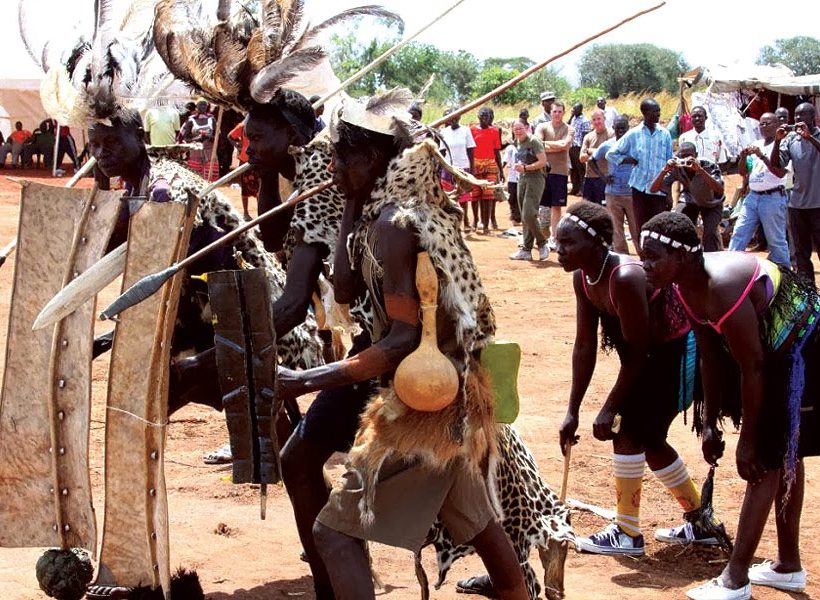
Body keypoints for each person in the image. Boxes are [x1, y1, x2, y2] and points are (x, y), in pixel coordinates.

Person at [277, 92, 529, 600]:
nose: (329, 167)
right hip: (431, 382)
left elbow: (402, 339)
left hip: (423, 390)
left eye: (339, 158)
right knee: (470, 516)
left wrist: (307, 379)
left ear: (369, 159)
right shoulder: (378, 212)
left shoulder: (397, 225)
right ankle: (514, 591)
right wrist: (349, 198)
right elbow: (345, 290)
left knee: (334, 534)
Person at [640, 212, 819, 600]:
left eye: (653, 257)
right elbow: (709, 354)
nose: (645, 265)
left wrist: (748, 440)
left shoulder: (721, 287)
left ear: (683, 258)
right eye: (643, 255)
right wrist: (709, 423)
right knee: (783, 455)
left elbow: (752, 368)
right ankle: (788, 566)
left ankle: (735, 579)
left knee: (766, 460)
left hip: (805, 346)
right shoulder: (685, 286)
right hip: (771, 351)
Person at [557, 201, 721, 558]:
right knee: (647, 438)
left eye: (567, 244)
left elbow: (638, 352)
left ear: (598, 244)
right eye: (558, 243)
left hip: (679, 352)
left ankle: (628, 533)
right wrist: (573, 411)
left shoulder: (627, 277)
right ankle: (700, 521)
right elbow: (584, 345)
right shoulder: (583, 278)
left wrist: (609, 406)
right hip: (649, 355)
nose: (558, 251)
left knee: (630, 432)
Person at [728, 112, 790, 267]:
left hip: (773, 197)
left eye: (768, 123)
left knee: (776, 240)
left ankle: (786, 276)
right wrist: (743, 157)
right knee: (739, 233)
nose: (764, 126)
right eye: (761, 123)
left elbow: (779, 172)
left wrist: (761, 156)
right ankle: (730, 267)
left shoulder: (783, 145)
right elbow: (743, 172)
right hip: (753, 196)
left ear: (776, 126)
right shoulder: (757, 143)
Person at [606, 97, 673, 229]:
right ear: (645, 113)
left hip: (659, 190)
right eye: (655, 112)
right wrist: (628, 160)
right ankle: (643, 250)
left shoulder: (665, 134)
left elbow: (669, 164)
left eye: (659, 111)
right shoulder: (634, 134)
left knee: (659, 227)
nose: (658, 114)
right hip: (639, 189)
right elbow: (611, 154)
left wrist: (668, 193)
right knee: (642, 227)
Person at [773, 102, 820, 284]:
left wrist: (810, 139)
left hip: (818, 204)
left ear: (814, 117)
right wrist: (777, 141)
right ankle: (808, 292)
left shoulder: (816, 136)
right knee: (801, 252)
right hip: (797, 205)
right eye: (796, 116)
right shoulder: (791, 140)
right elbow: (777, 164)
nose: (799, 119)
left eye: (803, 115)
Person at [650, 141, 725, 253]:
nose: (686, 159)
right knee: (679, 225)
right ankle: (687, 255)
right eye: (683, 156)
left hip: (712, 203)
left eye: (690, 155)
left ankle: (711, 257)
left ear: (696, 154)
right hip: (691, 201)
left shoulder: (709, 165)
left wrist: (700, 170)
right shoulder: (677, 166)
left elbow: (719, 189)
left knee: (710, 233)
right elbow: (653, 189)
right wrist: (664, 170)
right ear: (678, 156)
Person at [593, 115, 640, 254]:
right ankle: (623, 260)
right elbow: (591, 160)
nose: (620, 131)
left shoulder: (635, 145)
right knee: (617, 231)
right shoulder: (607, 145)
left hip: (632, 193)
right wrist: (603, 176)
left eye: (623, 128)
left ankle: (643, 259)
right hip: (613, 193)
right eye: (617, 128)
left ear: (628, 128)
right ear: (613, 128)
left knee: (636, 228)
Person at [510, 118, 549, 261]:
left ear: (526, 127)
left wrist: (526, 168)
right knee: (524, 216)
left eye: (521, 128)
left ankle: (542, 243)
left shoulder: (534, 141)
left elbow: (543, 161)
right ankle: (526, 249)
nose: (518, 131)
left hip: (536, 178)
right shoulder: (517, 142)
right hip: (523, 179)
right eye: (516, 129)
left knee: (528, 213)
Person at [536, 100, 573, 248]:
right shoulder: (542, 126)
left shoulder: (569, 129)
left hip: (560, 172)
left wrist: (548, 145)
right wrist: (556, 145)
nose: (557, 114)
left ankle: (554, 237)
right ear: (550, 112)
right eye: (554, 111)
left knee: (556, 206)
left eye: (559, 111)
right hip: (542, 171)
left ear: (564, 112)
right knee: (541, 205)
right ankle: (539, 236)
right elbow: (537, 145)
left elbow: (565, 146)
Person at [438, 108, 476, 231]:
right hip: (448, 167)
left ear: (459, 117)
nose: (453, 119)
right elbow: (442, 152)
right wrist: (439, 167)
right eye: (451, 117)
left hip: (463, 167)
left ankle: (465, 221)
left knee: (463, 197)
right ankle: (452, 221)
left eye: (456, 117)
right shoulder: (443, 132)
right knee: (449, 196)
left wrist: (472, 169)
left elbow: (470, 151)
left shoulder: (466, 131)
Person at [470, 107, 505, 234]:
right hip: (476, 165)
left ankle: (485, 225)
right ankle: (475, 220)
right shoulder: (472, 130)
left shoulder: (494, 131)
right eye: (483, 116)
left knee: (488, 196)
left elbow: (497, 151)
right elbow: (470, 149)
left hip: (490, 165)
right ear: (479, 117)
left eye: (487, 117)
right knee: (475, 195)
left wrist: (500, 170)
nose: (485, 119)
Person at [579, 108, 613, 204]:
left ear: (604, 119)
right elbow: (581, 158)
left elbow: (610, 154)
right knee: (588, 207)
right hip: (589, 177)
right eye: (594, 120)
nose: (597, 122)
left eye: (599, 119)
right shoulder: (588, 136)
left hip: (604, 177)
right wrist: (599, 153)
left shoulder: (611, 134)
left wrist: (590, 151)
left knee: (604, 208)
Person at [227, 120, 259, 221]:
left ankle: (260, 213)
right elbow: (230, 136)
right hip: (246, 160)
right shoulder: (243, 125)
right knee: (245, 188)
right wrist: (238, 146)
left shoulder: (260, 124)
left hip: (258, 159)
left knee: (259, 188)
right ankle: (245, 213)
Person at [179, 98, 218, 181]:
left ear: (207, 106)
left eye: (204, 104)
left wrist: (210, 137)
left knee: (210, 179)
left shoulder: (212, 119)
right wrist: (197, 138)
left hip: (210, 153)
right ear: (196, 106)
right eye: (200, 104)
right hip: (195, 153)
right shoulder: (191, 120)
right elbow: (186, 138)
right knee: (195, 179)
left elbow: (217, 136)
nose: (203, 106)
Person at [568, 102, 591, 196]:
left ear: (580, 109)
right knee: (573, 169)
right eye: (573, 108)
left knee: (580, 169)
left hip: (578, 147)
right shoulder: (573, 118)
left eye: (575, 109)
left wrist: (583, 149)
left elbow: (585, 135)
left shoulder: (585, 120)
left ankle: (582, 190)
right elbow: (567, 125)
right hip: (571, 146)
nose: (573, 110)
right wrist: (571, 116)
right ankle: (574, 188)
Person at [503, 138, 521, 225]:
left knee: (519, 197)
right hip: (512, 176)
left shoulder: (527, 146)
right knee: (511, 197)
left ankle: (517, 217)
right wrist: (500, 171)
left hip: (523, 176)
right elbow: (505, 160)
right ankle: (514, 213)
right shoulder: (510, 148)